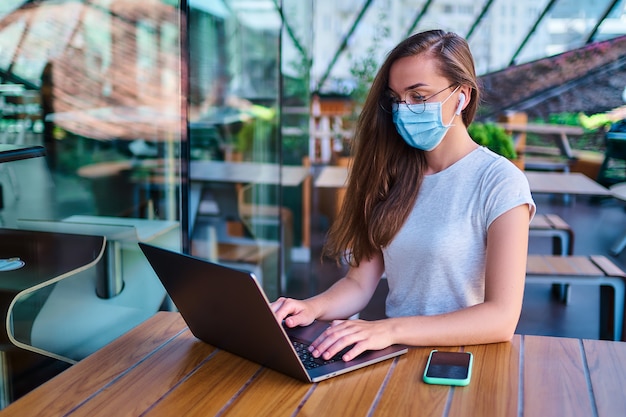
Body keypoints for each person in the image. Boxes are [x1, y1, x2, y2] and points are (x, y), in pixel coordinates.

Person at [272, 30, 536, 362]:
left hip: (464, 360)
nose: (404, 110)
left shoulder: (500, 182)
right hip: (396, 355)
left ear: (462, 96)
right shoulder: (390, 175)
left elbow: (501, 318)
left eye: (419, 96)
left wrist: (387, 329)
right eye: (396, 98)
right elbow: (358, 283)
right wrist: (308, 308)